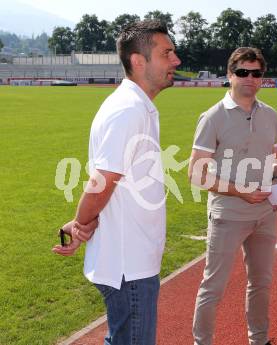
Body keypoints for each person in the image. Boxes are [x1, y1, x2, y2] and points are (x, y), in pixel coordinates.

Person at [52, 20, 181, 345]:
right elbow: (101, 182)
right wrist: (82, 223)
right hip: (129, 268)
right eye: (167, 53)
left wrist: (83, 221)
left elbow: (112, 183)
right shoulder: (128, 110)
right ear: (139, 61)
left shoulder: (139, 107)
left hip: (133, 262)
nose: (176, 61)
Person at [189, 47, 277, 345]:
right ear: (230, 75)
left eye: (256, 73)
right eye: (243, 72)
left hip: (265, 215)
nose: (250, 79)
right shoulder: (212, 118)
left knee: (261, 284)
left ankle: (260, 340)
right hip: (227, 215)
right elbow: (196, 173)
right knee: (213, 287)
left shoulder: (270, 115)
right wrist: (241, 192)